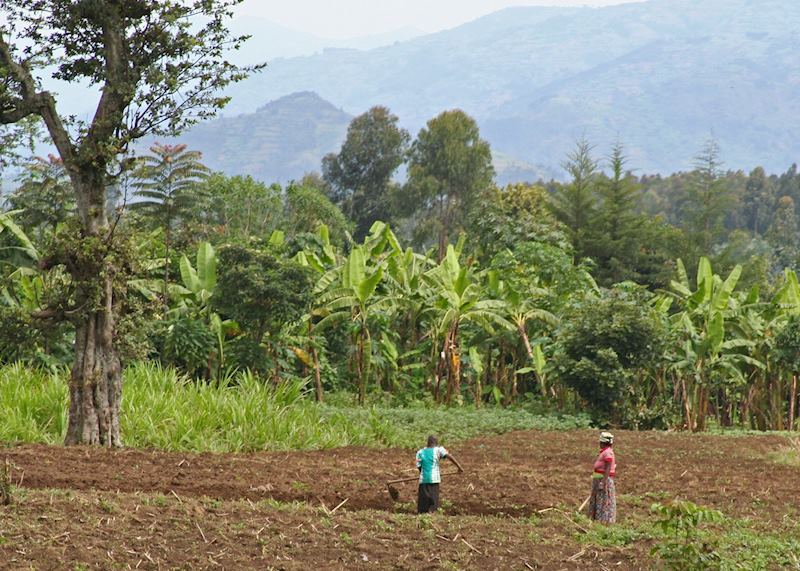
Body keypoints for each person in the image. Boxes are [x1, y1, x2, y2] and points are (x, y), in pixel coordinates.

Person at [415, 435, 463, 514]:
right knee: (433, 500)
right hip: (434, 479)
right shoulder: (438, 450)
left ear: (428, 443)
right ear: (436, 443)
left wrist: (423, 474)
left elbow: (419, 467)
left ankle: (423, 514)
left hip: (423, 480)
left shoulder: (420, 452)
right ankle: (432, 512)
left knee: (423, 502)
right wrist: (459, 467)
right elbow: (449, 456)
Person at [587, 431, 616, 524]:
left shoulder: (608, 453)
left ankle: (603, 520)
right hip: (598, 478)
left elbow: (608, 467)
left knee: (603, 500)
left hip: (603, 479)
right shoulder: (605, 452)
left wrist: (603, 482)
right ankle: (595, 518)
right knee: (598, 498)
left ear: (603, 443)